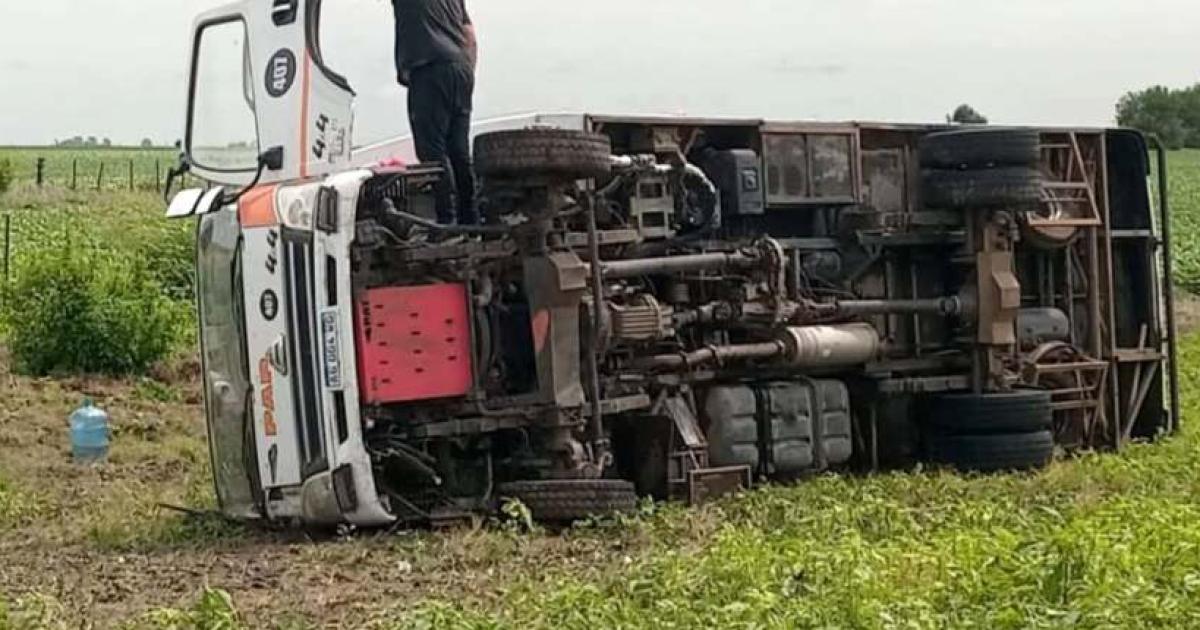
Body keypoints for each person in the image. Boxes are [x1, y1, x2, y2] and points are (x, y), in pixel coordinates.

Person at [392, 0, 479, 225]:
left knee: (432, 150)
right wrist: (466, 71)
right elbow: (470, 34)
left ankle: (446, 222)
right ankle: (470, 220)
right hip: (461, 69)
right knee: (459, 150)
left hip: (429, 68)